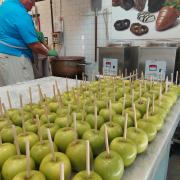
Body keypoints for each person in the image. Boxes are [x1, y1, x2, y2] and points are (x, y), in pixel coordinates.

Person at [0, 0, 58, 86]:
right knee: (24, 91)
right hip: (16, 59)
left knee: (9, 93)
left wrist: (34, 32)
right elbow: (34, 45)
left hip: (4, 58)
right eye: (33, 1)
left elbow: (12, 27)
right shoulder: (20, 13)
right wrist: (48, 52)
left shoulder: (6, 5)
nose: (34, 5)